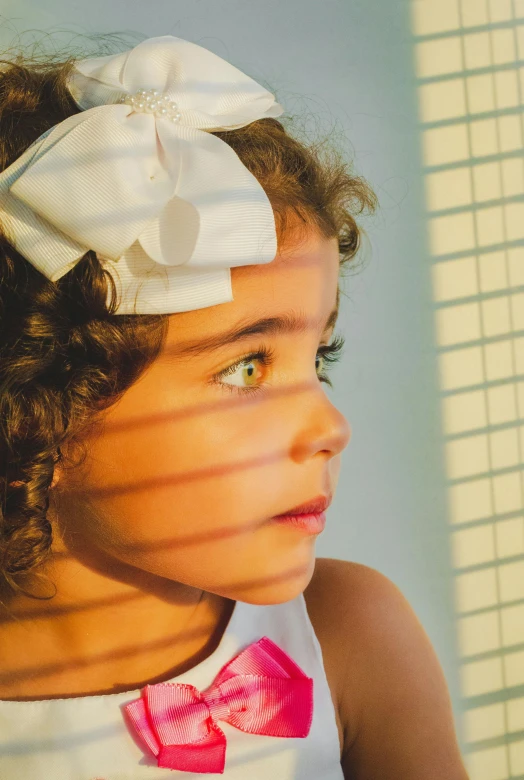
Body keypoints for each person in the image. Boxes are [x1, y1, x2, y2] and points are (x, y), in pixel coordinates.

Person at [0, 33, 469, 780]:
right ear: (37, 403)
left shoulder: (349, 632)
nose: (331, 427)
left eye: (319, 358)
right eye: (247, 366)